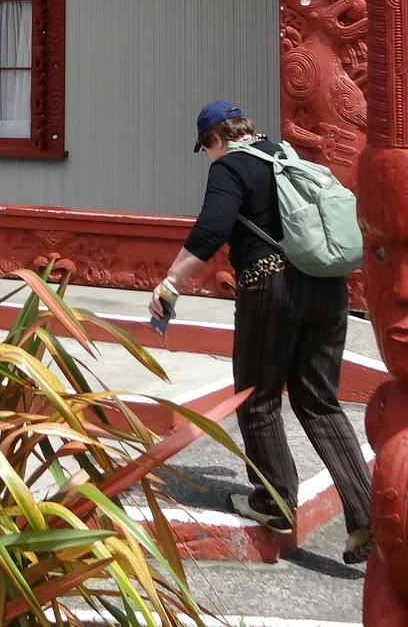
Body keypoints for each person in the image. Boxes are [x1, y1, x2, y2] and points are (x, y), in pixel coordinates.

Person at [148, 101, 373, 564]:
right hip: (329, 289)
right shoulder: (291, 157)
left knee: (257, 394)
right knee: (319, 401)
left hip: (272, 284)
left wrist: (171, 281)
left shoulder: (230, 166)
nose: (209, 156)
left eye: (205, 148)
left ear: (215, 139)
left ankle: (273, 501)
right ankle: (365, 514)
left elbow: (212, 230)